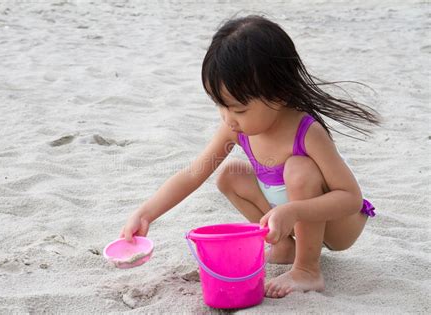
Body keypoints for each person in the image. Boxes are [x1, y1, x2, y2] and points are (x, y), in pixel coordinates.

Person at [119, 15, 380, 298]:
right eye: (220, 106)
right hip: (288, 213)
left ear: (279, 94)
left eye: (239, 109)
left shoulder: (307, 132)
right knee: (230, 175)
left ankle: (307, 269)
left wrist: (293, 211)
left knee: (298, 169)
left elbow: (350, 197)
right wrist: (146, 213)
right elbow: (193, 173)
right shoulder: (235, 129)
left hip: (336, 225)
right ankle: (284, 245)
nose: (229, 118)